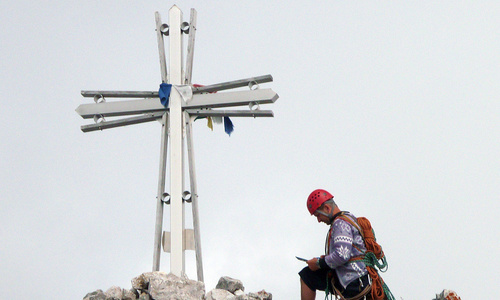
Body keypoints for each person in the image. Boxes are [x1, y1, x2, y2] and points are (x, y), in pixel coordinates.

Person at [299, 189, 370, 300]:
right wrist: (326, 259)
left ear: (327, 208)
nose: (318, 220)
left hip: (353, 281)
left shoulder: (340, 223)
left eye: (318, 215)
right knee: (307, 275)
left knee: (307, 275)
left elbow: (342, 255)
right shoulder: (348, 218)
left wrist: (318, 263)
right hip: (353, 278)